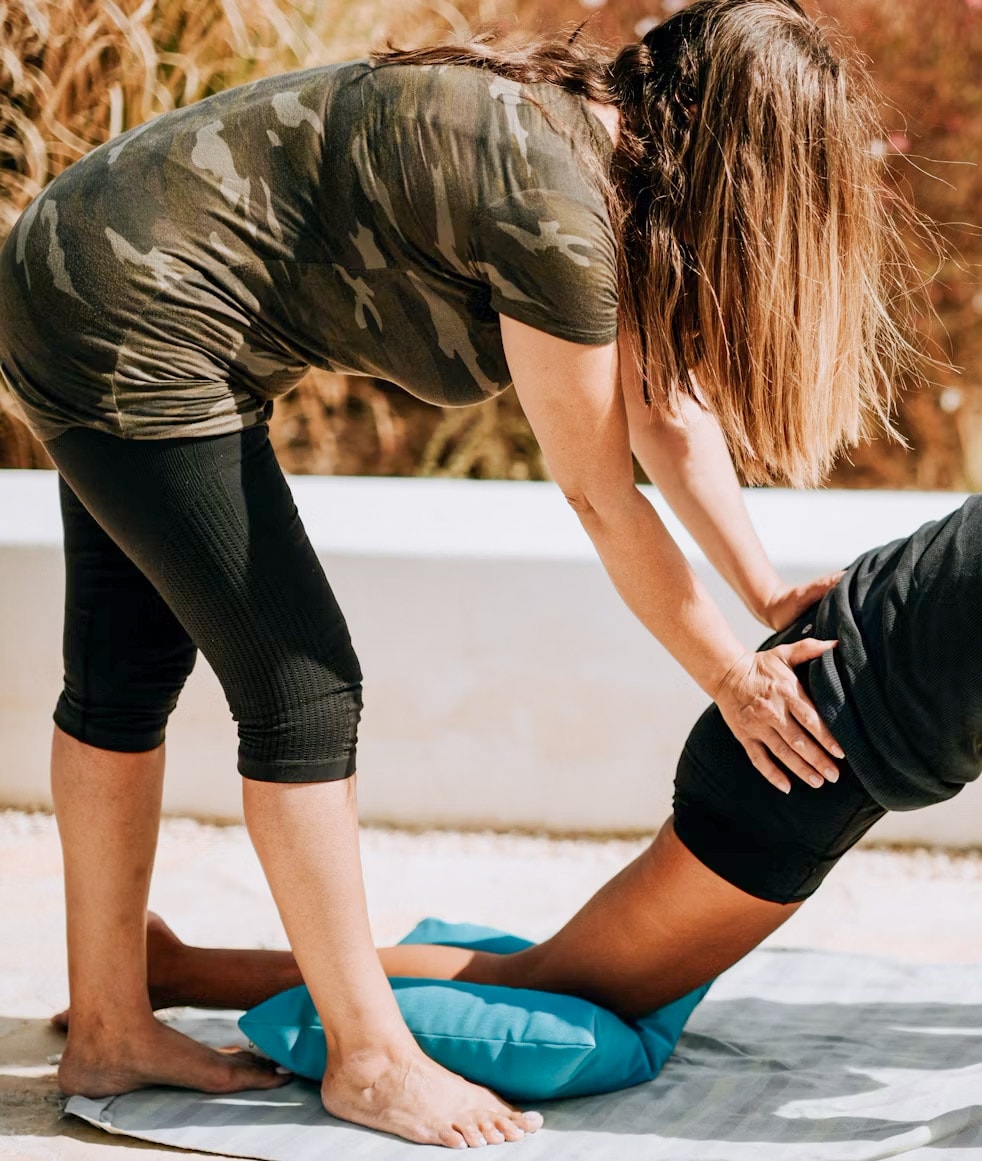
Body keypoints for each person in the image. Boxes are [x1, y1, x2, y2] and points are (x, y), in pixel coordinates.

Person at [123, 289, 982, 1159]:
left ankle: (195, 962)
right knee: (571, 987)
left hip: (823, 716)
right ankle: (185, 972)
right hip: (799, 755)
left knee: (576, 968)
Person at [0, 0, 917, 1146]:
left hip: (89, 264)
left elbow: (664, 415)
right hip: (128, 302)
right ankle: (372, 1058)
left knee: (124, 674)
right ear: (742, 157)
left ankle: (110, 1025)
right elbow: (598, 492)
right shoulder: (559, 209)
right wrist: (734, 676)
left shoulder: (603, 157)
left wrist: (767, 594)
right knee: (303, 686)